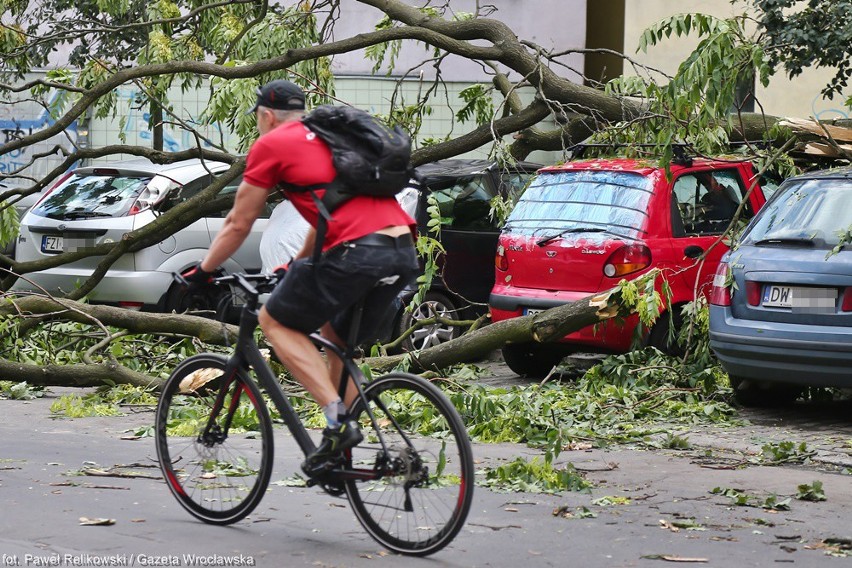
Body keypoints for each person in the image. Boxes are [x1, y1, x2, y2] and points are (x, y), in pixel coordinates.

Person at [182, 80, 419, 476]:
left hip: (356, 252)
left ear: (265, 115)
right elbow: (325, 217)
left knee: (274, 321)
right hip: (400, 250)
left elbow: (239, 223)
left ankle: (338, 422)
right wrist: (294, 266)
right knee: (336, 342)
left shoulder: (272, 144)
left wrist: (203, 271)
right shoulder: (331, 139)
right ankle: (346, 455)